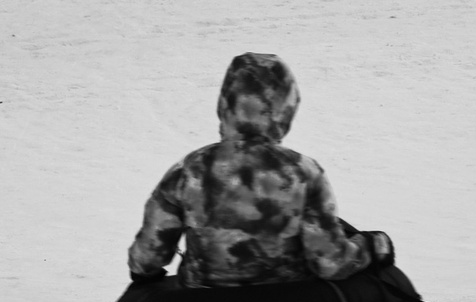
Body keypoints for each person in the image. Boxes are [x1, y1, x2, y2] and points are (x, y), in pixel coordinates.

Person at [128, 52, 393, 289]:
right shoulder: (302, 172)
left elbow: (148, 256)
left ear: (226, 105)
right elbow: (331, 263)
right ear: (284, 109)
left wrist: (145, 275)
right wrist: (371, 246)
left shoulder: (188, 170)